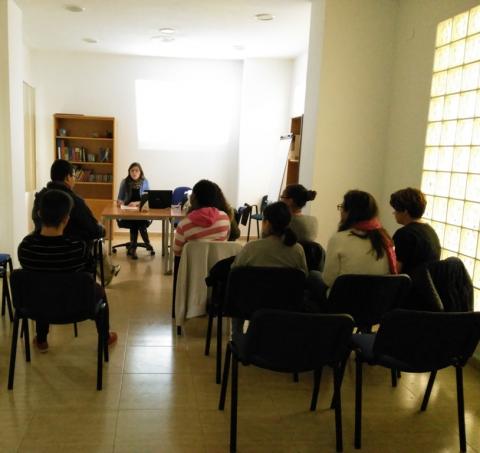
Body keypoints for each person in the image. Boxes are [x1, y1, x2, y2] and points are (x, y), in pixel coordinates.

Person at [19, 189, 117, 352]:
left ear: (39, 214)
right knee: (99, 290)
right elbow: (88, 272)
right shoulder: (77, 248)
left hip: (37, 305)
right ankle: (104, 337)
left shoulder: (26, 248)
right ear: (66, 219)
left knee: (41, 282)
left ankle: (41, 339)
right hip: (74, 306)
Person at [33, 159, 120, 284]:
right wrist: (102, 229)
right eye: (74, 176)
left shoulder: (25, 248)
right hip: (70, 255)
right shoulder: (74, 201)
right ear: (68, 177)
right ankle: (108, 274)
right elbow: (94, 230)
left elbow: (36, 222)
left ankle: (109, 272)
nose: (75, 179)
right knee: (98, 240)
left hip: (41, 252)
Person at [322, 190, 397, 289]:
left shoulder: (338, 239)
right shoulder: (385, 239)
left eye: (342, 207)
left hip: (343, 300)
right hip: (378, 301)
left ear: (350, 212)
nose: (341, 211)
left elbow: (329, 280)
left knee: (314, 276)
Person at [232, 201, 308, 273]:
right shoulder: (298, 250)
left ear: (267, 223)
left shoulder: (250, 248)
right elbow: (303, 276)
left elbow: (234, 271)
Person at [390, 187, 441, 275]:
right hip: (430, 285)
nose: (393, 213)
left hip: (412, 285)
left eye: (395, 210)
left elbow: (395, 271)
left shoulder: (404, 234)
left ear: (405, 211)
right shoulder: (430, 231)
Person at [173, 179, 231, 256]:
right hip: (218, 266)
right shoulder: (225, 218)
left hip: (194, 267)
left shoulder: (184, 225)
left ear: (193, 198)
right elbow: (226, 240)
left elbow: (177, 251)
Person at [117, 162, 152, 259]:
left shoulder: (144, 182)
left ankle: (133, 247)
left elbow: (147, 198)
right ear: (129, 172)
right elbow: (120, 198)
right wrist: (120, 202)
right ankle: (143, 244)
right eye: (132, 170)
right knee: (136, 222)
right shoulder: (125, 182)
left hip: (140, 211)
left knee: (138, 221)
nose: (134, 173)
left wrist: (136, 203)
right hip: (127, 212)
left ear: (140, 172)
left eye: (136, 170)